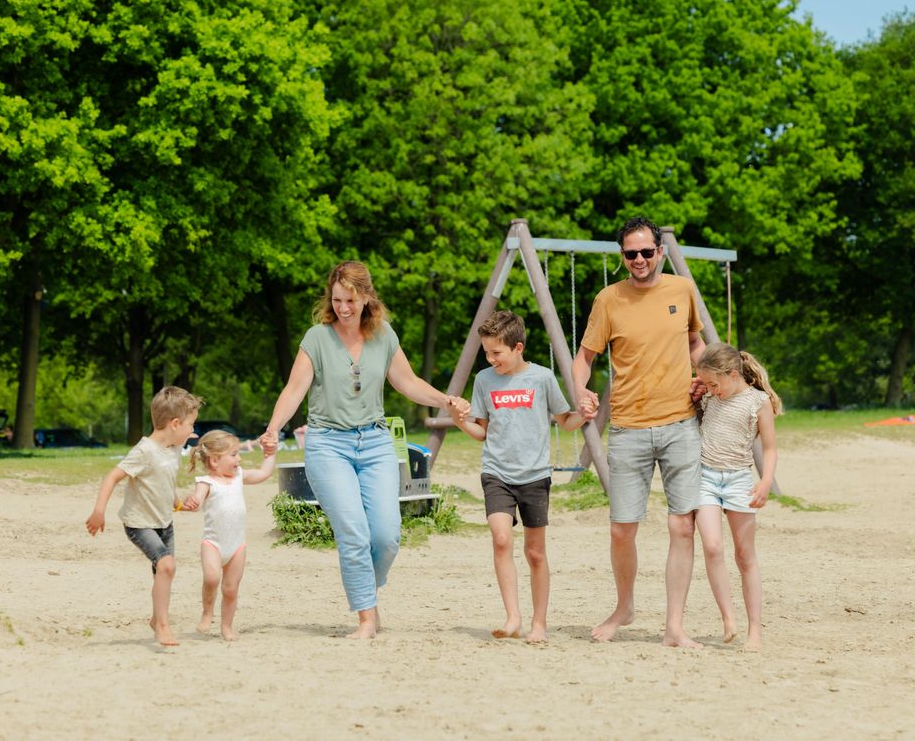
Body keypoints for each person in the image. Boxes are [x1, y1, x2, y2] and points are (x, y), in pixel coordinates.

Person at [259, 261, 469, 639]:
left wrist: (446, 400)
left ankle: (366, 591)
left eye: (350, 300)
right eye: (337, 299)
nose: (343, 308)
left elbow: (407, 382)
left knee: (386, 536)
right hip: (328, 444)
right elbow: (294, 390)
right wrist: (273, 428)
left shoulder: (383, 335)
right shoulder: (316, 338)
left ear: (366, 297)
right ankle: (367, 617)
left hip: (374, 442)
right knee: (353, 533)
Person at [572, 216, 706, 646]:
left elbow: (695, 344)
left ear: (660, 252)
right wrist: (582, 392)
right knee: (621, 528)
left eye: (647, 252)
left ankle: (674, 626)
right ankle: (624, 606)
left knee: (682, 526)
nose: (640, 260)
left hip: (681, 423)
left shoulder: (682, 290)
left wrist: (704, 376)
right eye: (631, 254)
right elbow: (584, 358)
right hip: (628, 427)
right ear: (622, 256)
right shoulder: (608, 300)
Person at [454, 310, 590, 643]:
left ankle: (539, 623)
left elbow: (566, 420)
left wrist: (584, 415)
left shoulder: (543, 378)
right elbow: (480, 432)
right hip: (497, 473)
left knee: (535, 553)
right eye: (486, 352)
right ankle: (513, 617)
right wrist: (459, 420)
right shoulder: (485, 380)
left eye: (496, 352)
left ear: (518, 348)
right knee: (501, 539)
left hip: (535, 476)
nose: (490, 359)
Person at [85, 386, 202, 647]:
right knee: (167, 566)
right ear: (174, 423)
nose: (193, 431)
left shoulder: (172, 450)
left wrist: (180, 505)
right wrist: (99, 511)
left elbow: (164, 483)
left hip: (164, 524)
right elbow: (113, 477)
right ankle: (162, 625)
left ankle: (156, 618)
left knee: (164, 572)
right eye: (190, 425)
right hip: (140, 524)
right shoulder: (144, 451)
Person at [693, 342, 780, 650]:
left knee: (745, 557)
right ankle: (728, 617)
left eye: (714, 383)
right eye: (706, 384)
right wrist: (701, 388)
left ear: (732, 375)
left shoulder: (757, 402)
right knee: (712, 546)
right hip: (705, 478)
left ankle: (755, 629)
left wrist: (765, 481)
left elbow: (769, 448)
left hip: (739, 480)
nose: (711, 389)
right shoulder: (707, 397)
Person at [182, 431, 276, 641]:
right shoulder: (205, 482)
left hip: (237, 546)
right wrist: (192, 502)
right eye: (234, 455)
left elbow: (263, 473)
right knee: (212, 578)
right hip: (213, 544)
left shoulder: (239, 476)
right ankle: (207, 612)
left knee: (231, 589)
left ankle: (227, 626)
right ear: (215, 461)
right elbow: (197, 499)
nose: (239, 459)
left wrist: (270, 454)